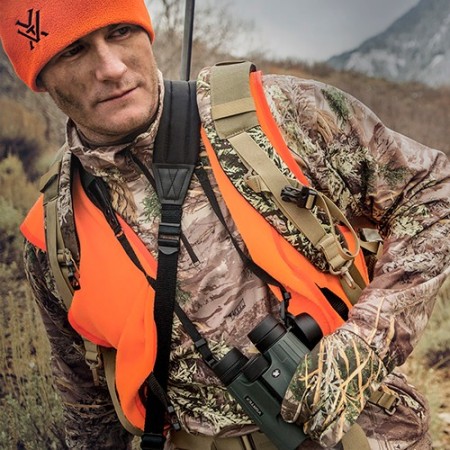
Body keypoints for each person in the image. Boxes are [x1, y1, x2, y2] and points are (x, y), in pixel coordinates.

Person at [1, 1, 449, 449]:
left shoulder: (274, 114)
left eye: (120, 32)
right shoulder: (55, 235)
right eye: (74, 51)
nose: (112, 68)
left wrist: (364, 343)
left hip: (369, 435)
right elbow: (89, 407)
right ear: (41, 79)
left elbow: (432, 191)